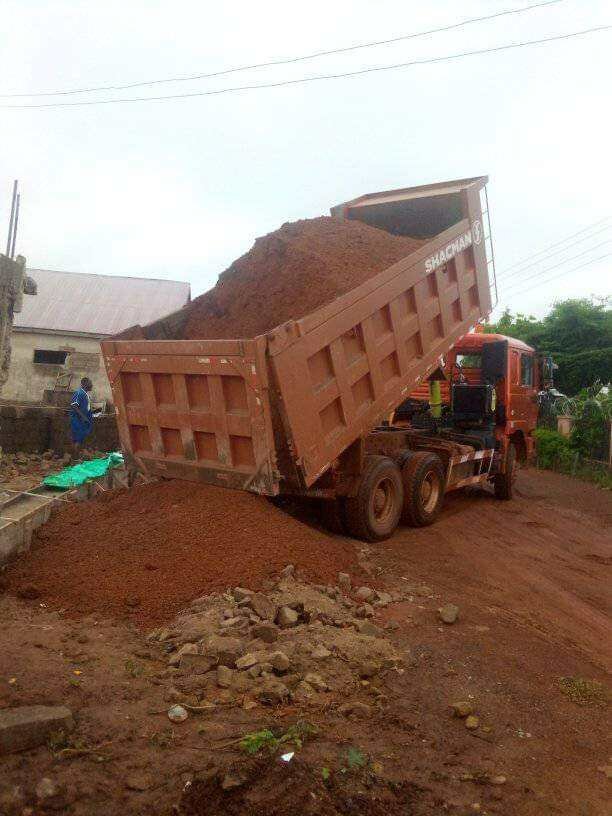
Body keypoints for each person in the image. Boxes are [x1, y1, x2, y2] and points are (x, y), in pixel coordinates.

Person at [70, 377, 94, 461]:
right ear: (84, 384)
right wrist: (83, 417)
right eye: (90, 383)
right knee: (78, 439)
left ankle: (77, 457)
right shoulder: (79, 393)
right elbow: (74, 405)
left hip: (82, 420)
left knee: (80, 439)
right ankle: (75, 459)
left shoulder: (85, 394)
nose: (92, 385)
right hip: (78, 420)